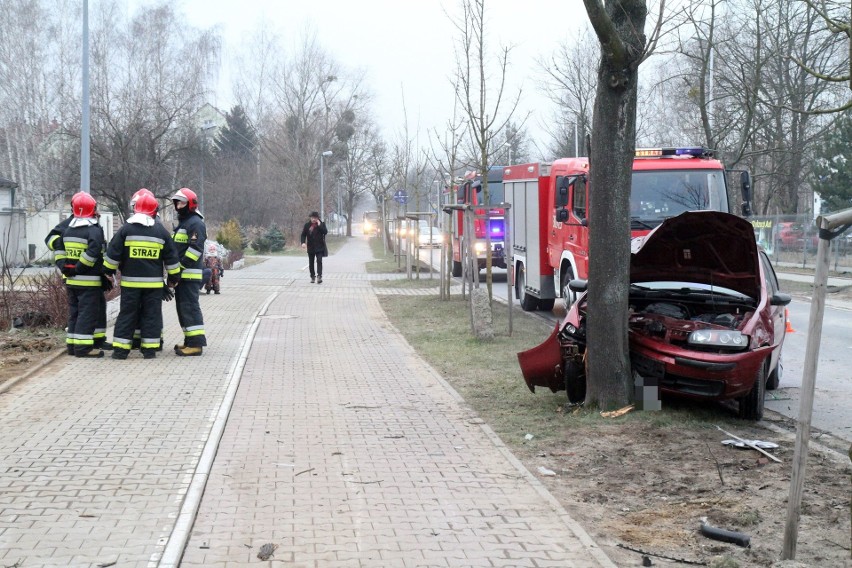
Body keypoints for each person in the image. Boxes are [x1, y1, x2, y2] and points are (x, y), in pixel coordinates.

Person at [103, 192, 181, 360]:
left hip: (131, 285)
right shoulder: (161, 231)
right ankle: (149, 350)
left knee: (127, 314)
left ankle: (121, 351)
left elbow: (113, 253)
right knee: (151, 315)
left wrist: (107, 272)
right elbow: (172, 259)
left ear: (135, 209)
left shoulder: (126, 229)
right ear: (154, 211)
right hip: (153, 286)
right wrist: (173, 279)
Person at [53, 192, 108, 358]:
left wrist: (65, 267)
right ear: (93, 209)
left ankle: (72, 346)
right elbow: (93, 253)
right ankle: (83, 348)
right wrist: (79, 267)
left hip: (71, 281)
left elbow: (59, 250)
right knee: (87, 314)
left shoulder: (68, 229)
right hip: (89, 283)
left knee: (75, 313)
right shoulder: (93, 230)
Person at [170, 187, 207, 356]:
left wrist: (180, 268)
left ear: (190, 204)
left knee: (190, 308)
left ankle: (196, 344)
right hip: (182, 275)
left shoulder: (196, 223)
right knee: (183, 309)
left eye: (182, 203)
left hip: (188, 275)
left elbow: (195, 250)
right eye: (176, 203)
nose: (178, 206)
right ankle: (189, 340)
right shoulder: (185, 223)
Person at [300, 211, 328, 283]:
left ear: (317, 218)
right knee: (311, 262)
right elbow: (303, 235)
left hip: (320, 246)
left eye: (315, 218)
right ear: (310, 218)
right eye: (312, 218)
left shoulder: (321, 224)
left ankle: (319, 276)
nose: (313, 219)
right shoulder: (307, 225)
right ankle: (312, 276)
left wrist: (320, 225)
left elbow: (325, 232)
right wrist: (303, 242)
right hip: (311, 247)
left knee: (319, 261)